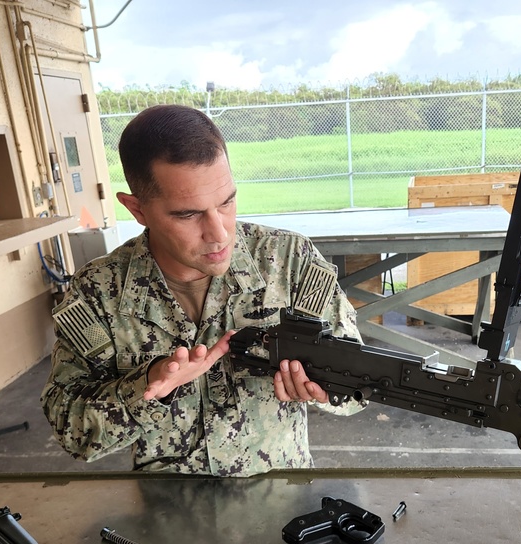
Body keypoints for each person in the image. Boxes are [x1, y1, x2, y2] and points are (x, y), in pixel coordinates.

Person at [41, 104, 363, 476]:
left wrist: (326, 390)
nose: (219, 233)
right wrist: (147, 387)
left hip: (280, 497)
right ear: (137, 209)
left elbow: (359, 389)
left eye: (226, 202)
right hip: (167, 509)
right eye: (188, 214)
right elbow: (71, 429)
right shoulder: (99, 293)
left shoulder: (291, 261)